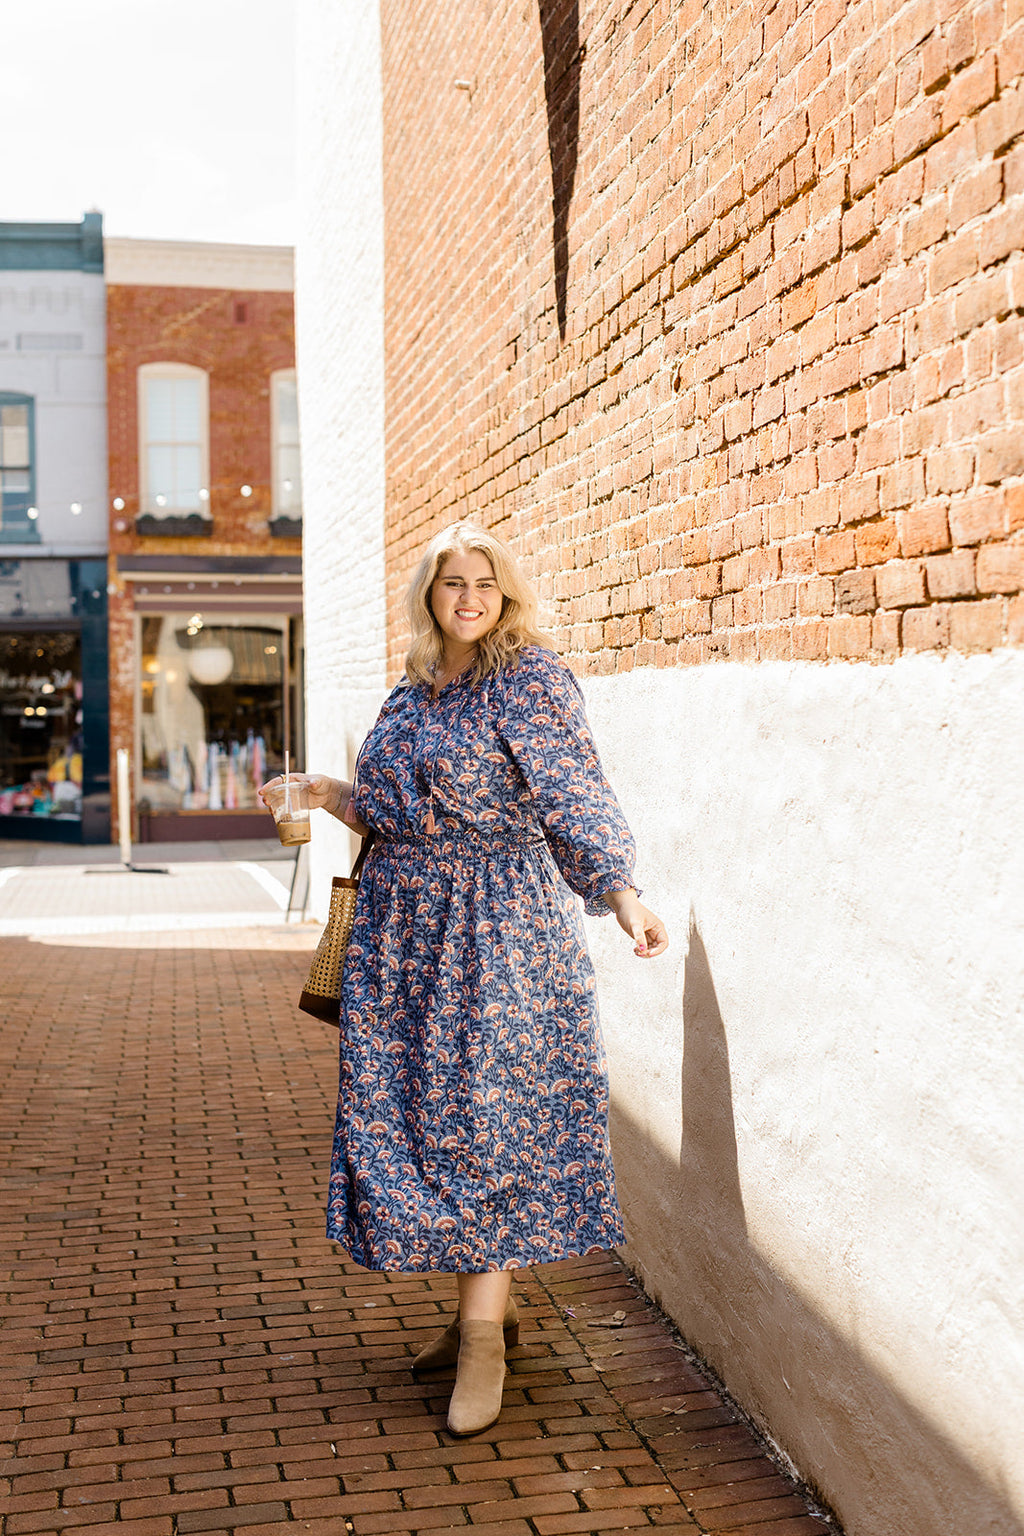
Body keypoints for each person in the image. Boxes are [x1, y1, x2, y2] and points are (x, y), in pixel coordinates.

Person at [261, 521, 668, 1436]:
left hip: (496, 933)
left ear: (506, 592)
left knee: (487, 1123)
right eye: (453, 584)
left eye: (485, 583)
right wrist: (326, 793)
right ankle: (483, 1313)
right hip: (401, 939)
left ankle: (484, 1340)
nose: (470, 599)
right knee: (420, 1119)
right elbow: (396, 811)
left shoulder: (528, 679)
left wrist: (621, 894)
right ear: (429, 595)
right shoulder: (411, 688)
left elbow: (573, 795)